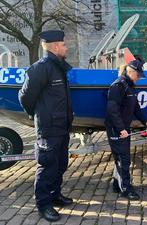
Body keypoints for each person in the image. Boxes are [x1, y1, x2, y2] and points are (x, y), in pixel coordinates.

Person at [18, 30, 73, 222]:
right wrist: (38, 115)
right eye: (64, 45)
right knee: (47, 166)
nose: (66, 48)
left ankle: (54, 195)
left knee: (60, 164)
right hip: (49, 128)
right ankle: (43, 205)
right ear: (56, 46)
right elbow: (24, 96)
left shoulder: (58, 67)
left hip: (62, 127)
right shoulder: (41, 68)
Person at [105, 60, 147, 200]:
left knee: (121, 157)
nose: (139, 78)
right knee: (123, 158)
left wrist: (146, 122)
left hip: (123, 127)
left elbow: (136, 108)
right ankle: (126, 188)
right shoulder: (118, 86)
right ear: (130, 71)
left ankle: (117, 184)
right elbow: (112, 110)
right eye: (138, 75)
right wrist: (120, 129)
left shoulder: (130, 86)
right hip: (116, 128)